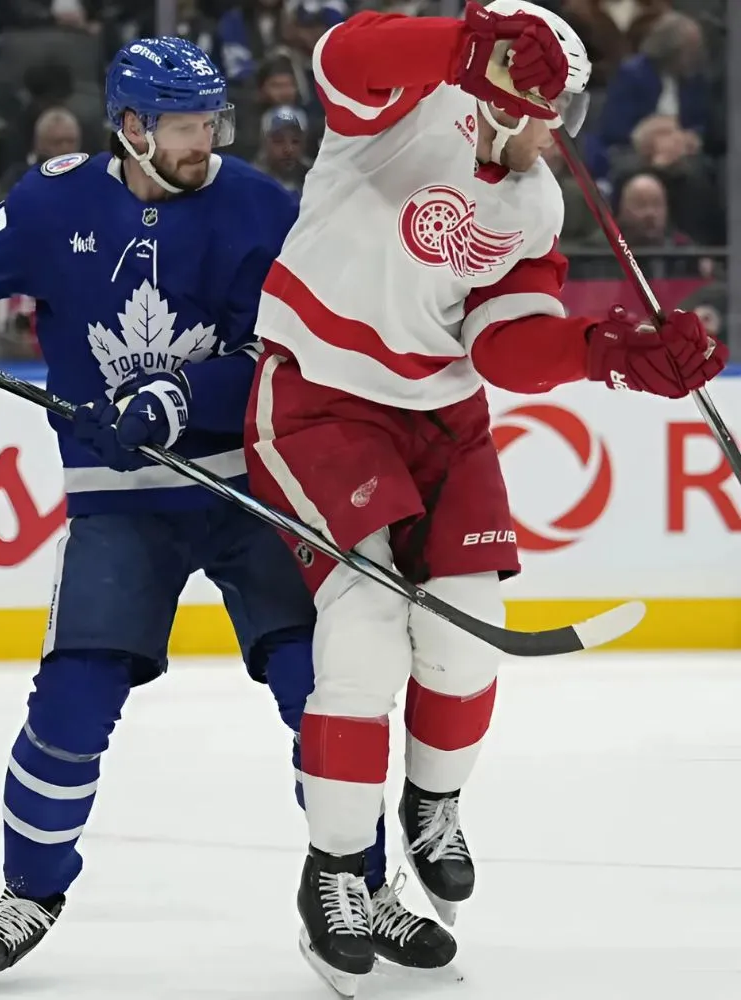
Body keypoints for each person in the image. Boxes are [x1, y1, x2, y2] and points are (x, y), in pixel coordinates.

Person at [0, 36, 455, 989]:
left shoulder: (261, 207)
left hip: (249, 489)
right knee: (71, 703)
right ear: (130, 127)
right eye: (184, 125)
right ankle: (30, 889)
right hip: (118, 503)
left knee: (320, 690)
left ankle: (356, 884)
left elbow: (287, 355)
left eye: (212, 121)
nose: (205, 140)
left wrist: (184, 397)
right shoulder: (56, 201)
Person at [240, 2, 730, 995]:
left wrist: (617, 357)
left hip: (442, 412)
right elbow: (345, 52)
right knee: (371, 617)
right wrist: (471, 45)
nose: (562, 129)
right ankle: (334, 869)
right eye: (556, 101)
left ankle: (434, 804)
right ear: (517, 86)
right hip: (322, 395)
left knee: (471, 624)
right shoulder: (406, 107)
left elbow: (504, 344)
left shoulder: (537, 201)